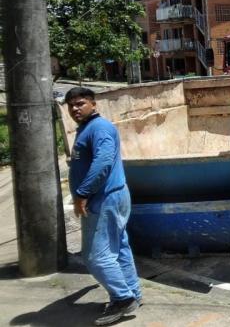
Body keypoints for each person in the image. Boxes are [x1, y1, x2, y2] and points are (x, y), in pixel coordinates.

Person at [65, 87, 142, 326]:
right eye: (71, 106)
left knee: (95, 256)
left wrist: (82, 193)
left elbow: (103, 161)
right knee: (118, 249)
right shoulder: (88, 129)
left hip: (103, 198)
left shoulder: (100, 128)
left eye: (80, 103)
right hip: (110, 196)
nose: (75, 109)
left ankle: (122, 298)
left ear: (93, 104)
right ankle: (133, 294)